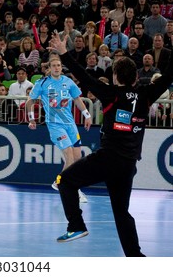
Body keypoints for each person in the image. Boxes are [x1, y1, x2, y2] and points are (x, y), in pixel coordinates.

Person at [48, 32, 173, 256]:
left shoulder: (111, 94)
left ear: (115, 76)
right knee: (121, 212)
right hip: (128, 164)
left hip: (109, 158)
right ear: (135, 77)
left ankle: (76, 225)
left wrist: (65, 54)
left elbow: (85, 78)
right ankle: (135, 257)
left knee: (65, 181)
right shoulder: (146, 95)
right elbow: (169, 76)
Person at [26, 54, 91, 203]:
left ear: (61, 68)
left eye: (59, 65)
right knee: (68, 153)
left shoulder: (68, 82)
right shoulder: (42, 83)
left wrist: (86, 115)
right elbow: (30, 100)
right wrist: (31, 118)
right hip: (55, 124)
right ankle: (69, 187)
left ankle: (62, 182)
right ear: (49, 68)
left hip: (70, 124)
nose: (57, 68)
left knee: (77, 157)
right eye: (54, 65)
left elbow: (77, 99)